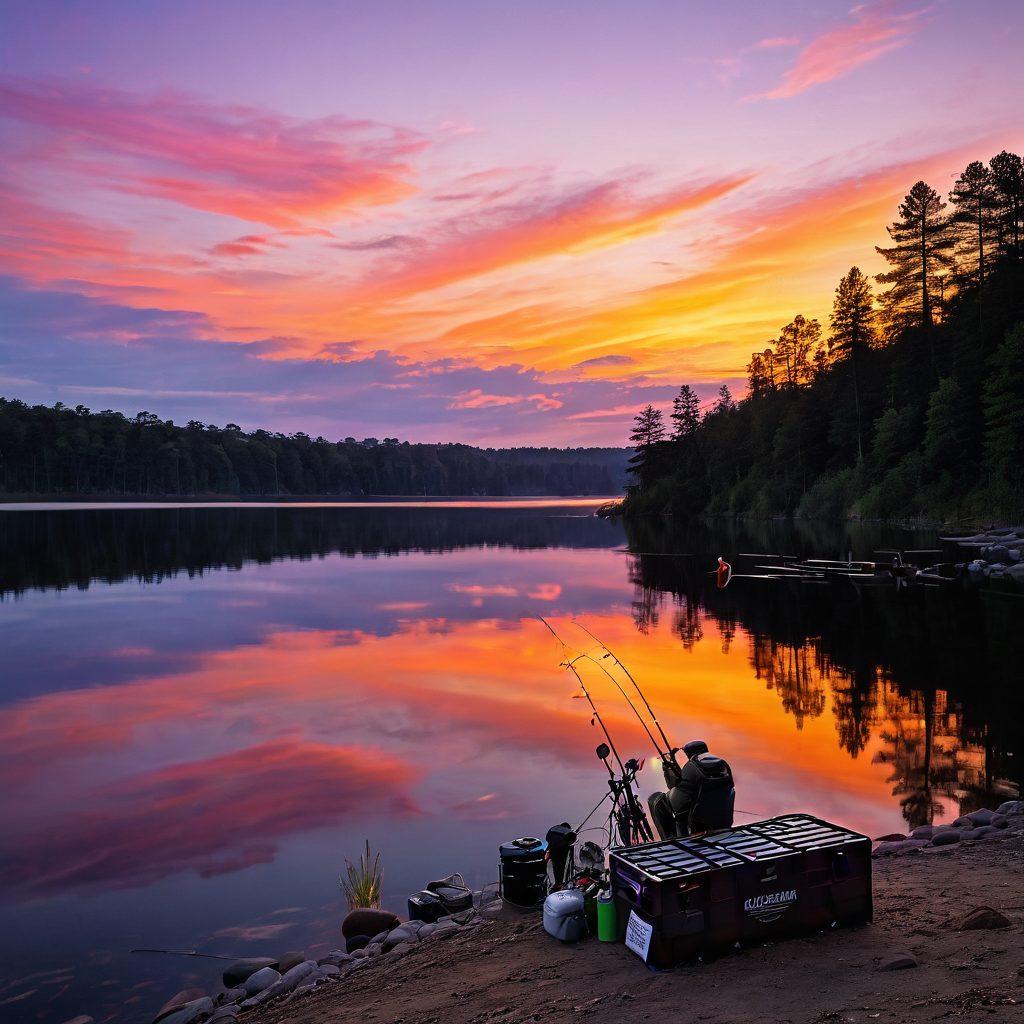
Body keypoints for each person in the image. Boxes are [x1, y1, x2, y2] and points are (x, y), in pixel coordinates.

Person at [647, 740, 735, 839]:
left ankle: (672, 841)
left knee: (657, 800)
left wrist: (668, 771)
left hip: (697, 825)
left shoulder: (692, 766)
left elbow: (678, 801)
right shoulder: (722, 764)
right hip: (723, 821)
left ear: (689, 753)